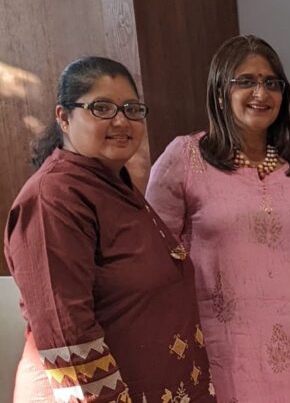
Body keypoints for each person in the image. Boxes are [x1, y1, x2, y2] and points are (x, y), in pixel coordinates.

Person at [146, 35, 290, 402]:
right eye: (246, 81)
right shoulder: (186, 159)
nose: (261, 93)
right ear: (220, 90)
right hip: (220, 356)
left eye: (272, 83)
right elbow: (155, 266)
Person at [5, 57, 215, 402]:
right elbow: (67, 331)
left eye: (132, 109)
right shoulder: (53, 198)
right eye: (102, 108)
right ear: (63, 117)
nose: (121, 121)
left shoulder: (112, 185)